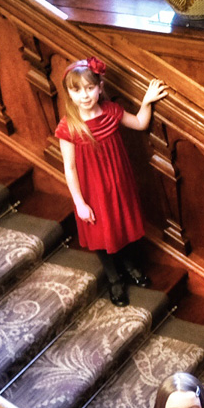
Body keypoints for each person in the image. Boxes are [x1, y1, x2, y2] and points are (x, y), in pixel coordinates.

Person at [55, 57, 167, 306]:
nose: (85, 95)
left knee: (120, 225)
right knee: (101, 232)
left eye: (89, 88)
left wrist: (147, 101)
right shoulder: (69, 126)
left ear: (100, 87)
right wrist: (79, 203)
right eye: (77, 90)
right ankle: (114, 278)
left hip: (118, 183)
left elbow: (140, 123)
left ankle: (129, 265)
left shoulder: (111, 111)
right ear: (69, 93)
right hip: (92, 191)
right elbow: (70, 168)